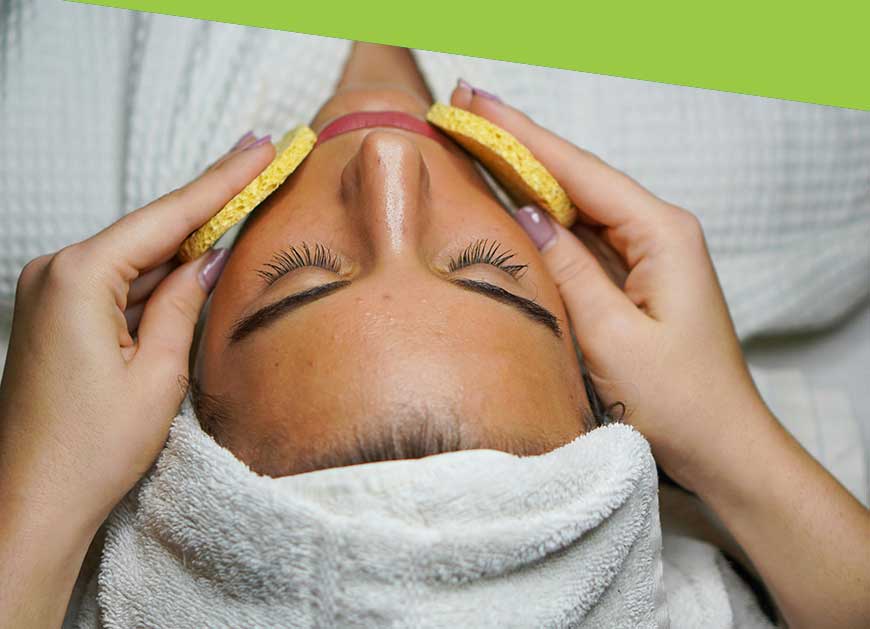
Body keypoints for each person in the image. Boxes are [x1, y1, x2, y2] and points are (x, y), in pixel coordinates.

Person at [0, 43, 868, 629]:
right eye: (490, 266)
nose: (389, 168)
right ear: (591, 339)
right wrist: (734, 441)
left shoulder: (35, 124)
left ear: (174, 349)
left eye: (301, 272)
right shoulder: (769, 124)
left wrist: (31, 516)